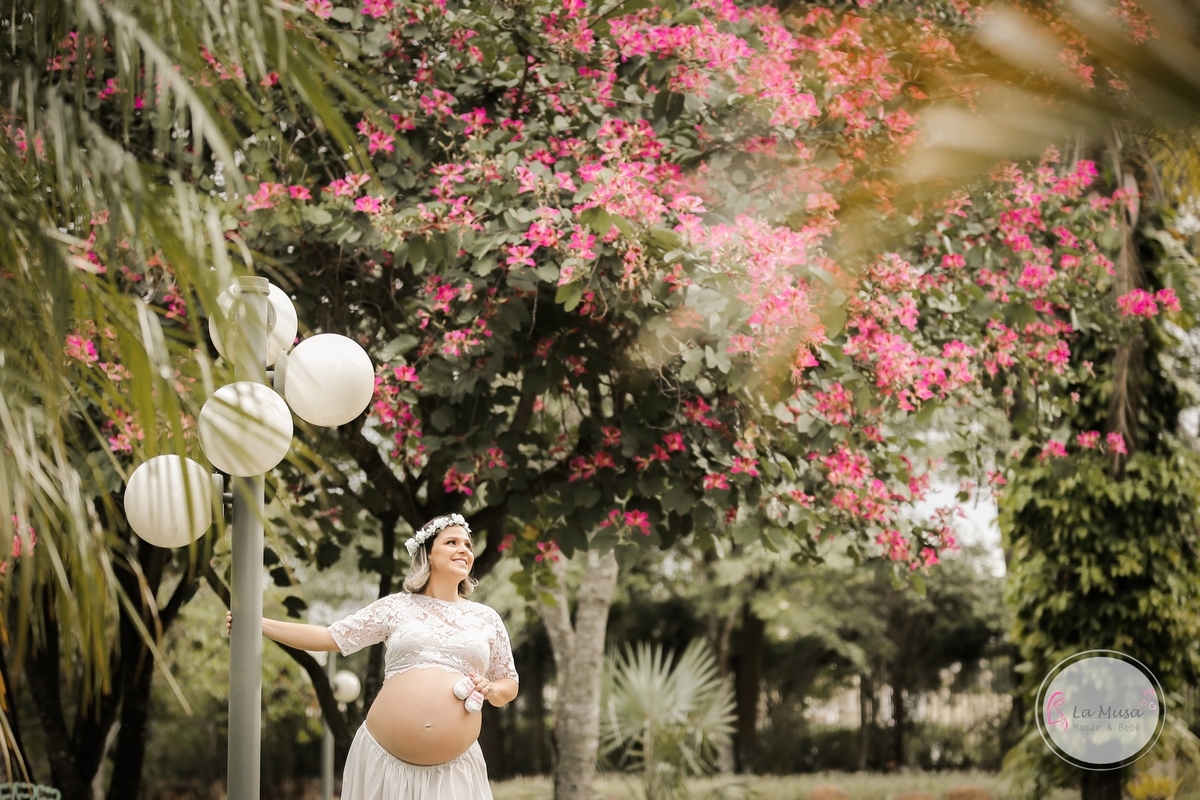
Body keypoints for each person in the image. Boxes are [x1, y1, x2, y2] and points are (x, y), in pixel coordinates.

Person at [227, 513, 518, 799]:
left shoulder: (486, 618)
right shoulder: (396, 607)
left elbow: (508, 682)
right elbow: (331, 637)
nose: (463, 550)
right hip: (384, 763)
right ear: (428, 553)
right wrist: (258, 624)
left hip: (455, 771)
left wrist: (493, 690)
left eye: (468, 545)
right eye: (452, 542)